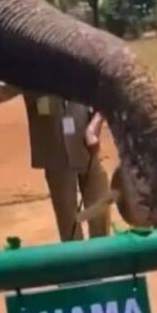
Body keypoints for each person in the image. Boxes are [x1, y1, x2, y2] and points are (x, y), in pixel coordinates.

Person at [21, 89, 111, 242]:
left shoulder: (82, 67)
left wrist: (93, 128)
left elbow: (106, 95)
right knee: (69, 227)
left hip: (87, 151)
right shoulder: (30, 71)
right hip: (56, 156)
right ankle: (77, 264)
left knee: (99, 213)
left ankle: (101, 261)